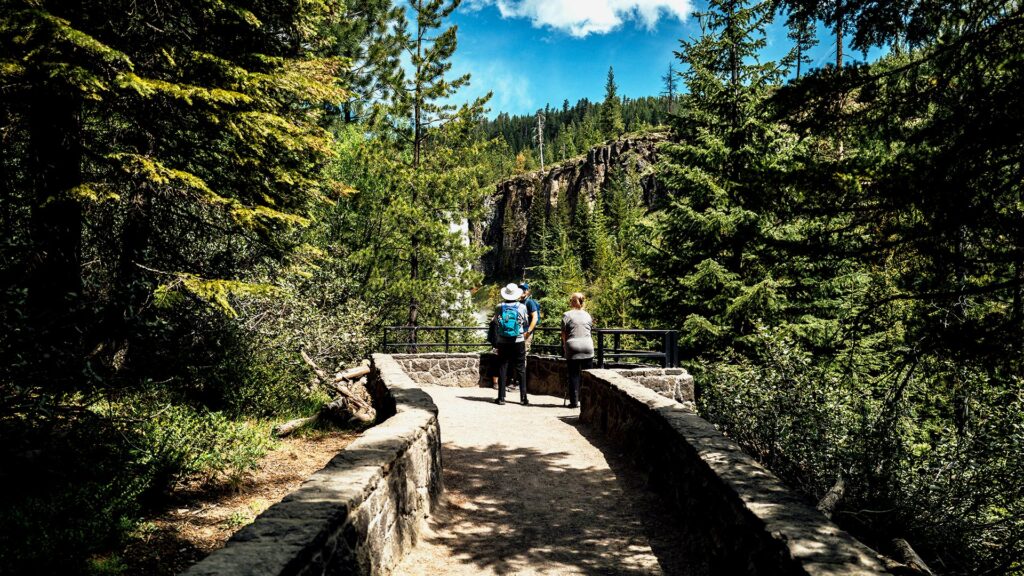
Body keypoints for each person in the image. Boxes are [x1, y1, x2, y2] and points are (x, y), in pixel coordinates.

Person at [493, 283, 529, 405]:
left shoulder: (499, 307)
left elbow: (497, 322)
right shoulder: (522, 307)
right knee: (521, 368)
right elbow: (525, 322)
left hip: (503, 341)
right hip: (518, 340)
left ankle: (501, 397)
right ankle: (523, 398)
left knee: (503, 367)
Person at [561, 292, 594, 409]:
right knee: (588, 375)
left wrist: (565, 346)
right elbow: (590, 330)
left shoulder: (567, 315)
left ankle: (574, 402)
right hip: (587, 346)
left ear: (574, 302)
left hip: (573, 346)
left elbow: (564, 333)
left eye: (571, 300)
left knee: (573, 375)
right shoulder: (588, 315)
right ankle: (588, 402)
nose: (570, 302)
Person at [519, 282, 541, 353]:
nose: (522, 291)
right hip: (519, 332)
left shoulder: (530, 302)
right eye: (520, 289)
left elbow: (535, 317)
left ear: (527, 291)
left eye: (524, 289)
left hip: (526, 332)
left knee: (523, 353)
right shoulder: (519, 302)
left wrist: (528, 332)